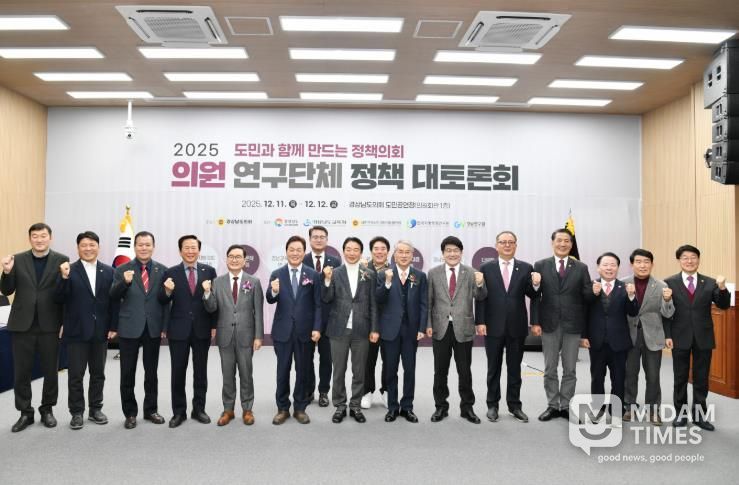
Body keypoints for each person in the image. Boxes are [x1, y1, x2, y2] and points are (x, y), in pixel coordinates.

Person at [1, 223, 69, 432]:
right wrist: (6, 272)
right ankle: (25, 413)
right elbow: (7, 290)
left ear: (50, 237)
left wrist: (64, 321)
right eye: (35, 236)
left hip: (50, 324)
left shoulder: (62, 260)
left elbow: (65, 295)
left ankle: (47, 409)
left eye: (43, 236)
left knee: (51, 371)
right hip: (22, 325)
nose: (39, 240)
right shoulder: (17, 259)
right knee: (21, 372)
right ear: (30, 238)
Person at [475, 231, 540, 423]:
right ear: (496, 245)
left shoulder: (526, 267)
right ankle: (492, 405)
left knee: (514, 369)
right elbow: (481, 297)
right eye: (503, 242)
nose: (507, 245)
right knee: (493, 368)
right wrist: (480, 321)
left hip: (516, 326)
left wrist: (536, 285)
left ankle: (514, 405)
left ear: (516, 245)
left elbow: (533, 296)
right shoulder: (486, 268)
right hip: (492, 325)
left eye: (511, 242)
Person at [54, 231, 116, 429]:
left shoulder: (109, 271)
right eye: (84, 245)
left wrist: (113, 326)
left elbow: (114, 302)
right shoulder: (68, 270)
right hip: (76, 331)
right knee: (75, 376)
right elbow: (58, 298)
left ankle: (95, 409)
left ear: (98, 247)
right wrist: (63, 278)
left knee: (98, 374)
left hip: (100, 331)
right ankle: (76, 413)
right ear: (77, 248)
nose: (88, 249)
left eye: (92, 245)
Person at [664, 244, 730, 431]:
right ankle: (681, 415)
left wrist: (722, 288)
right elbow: (665, 313)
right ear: (679, 261)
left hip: (703, 336)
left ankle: (700, 416)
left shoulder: (710, 282)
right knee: (680, 378)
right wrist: (667, 335)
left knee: (701, 378)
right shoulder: (669, 282)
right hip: (679, 336)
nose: (689, 261)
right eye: (685, 257)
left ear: (698, 260)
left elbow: (723, 305)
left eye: (693, 257)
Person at [531, 228, 593, 422]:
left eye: (567, 241)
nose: (563, 244)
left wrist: (594, 291)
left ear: (571, 244)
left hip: (573, 325)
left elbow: (587, 297)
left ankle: (565, 406)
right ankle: (552, 405)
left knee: (570, 369)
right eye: (559, 240)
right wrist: (535, 321)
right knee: (550, 368)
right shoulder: (540, 265)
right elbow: (535, 296)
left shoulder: (581, 267)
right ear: (552, 243)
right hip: (549, 323)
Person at [110, 230, 168, 429]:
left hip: (153, 327)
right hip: (129, 326)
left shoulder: (162, 270)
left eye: (147, 244)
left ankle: (151, 410)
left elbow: (165, 302)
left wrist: (164, 326)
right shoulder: (122, 269)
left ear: (153, 247)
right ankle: (130, 413)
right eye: (140, 244)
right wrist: (124, 282)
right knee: (127, 372)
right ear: (134, 247)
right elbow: (113, 296)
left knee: (151, 372)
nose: (144, 248)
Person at [158, 235, 217, 428]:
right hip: (178, 330)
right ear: (180, 250)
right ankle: (179, 412)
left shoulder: (209, 271)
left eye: (194, 248)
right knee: (178, 372)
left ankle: (199, 409)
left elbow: (214, 302)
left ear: (199, 250)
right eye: (187, 247)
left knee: (200, 372)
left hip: (202, 329)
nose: (190, 251)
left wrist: (214, 325)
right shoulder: (170, 272)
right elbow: (162, 300)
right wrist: (167, 291)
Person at [427, 236, 487, 424]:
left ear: (461, 253)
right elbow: (429, 301)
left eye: (456, 250)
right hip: (441, 328)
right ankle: (440, 407)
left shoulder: (471, 273)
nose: (452, 254)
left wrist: (480, 283)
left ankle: (467, 408)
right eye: (448, 250)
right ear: (443, 253)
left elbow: (481, 296)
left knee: (465, 371)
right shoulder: (433, 273)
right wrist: (428, 324)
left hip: (463, 328)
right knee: (440, 371)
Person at [203, 244, 263, 426]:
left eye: (238, 257)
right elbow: (211, 308)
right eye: (231, 256)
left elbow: (258, 311)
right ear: (226, 259)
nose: (234, 260)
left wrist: (258, 336)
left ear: (245, 261)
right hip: (225, 335)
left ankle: (247, 409)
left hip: (246, 335)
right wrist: (207, 293)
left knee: (246, 374)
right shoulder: (217, 282)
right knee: (227, 375)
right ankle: (228, 409)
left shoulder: (254, 281)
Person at [266, 235, 322, 425]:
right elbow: (270, 298)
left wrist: (317, 328)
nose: (295, 253)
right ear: (286, 252)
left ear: (304, 252)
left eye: (299, 250)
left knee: (303, 371)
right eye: (292, 250)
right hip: (283, 331)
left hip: (305, 332)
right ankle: (282, 408)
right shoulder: (277, 273)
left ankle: (300, 408)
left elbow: (318, 304)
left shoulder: (312, 275)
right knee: (282, 370)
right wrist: (274, 290)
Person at [322, 237, 378, 423]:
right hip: (339, 329)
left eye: (356, 249)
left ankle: (355, 406)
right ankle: (339, 405)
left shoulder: (369, 274)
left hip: (362, 329)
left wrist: (374, 328)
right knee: (338, 370)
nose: (352, 253)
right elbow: (326, 298)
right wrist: (327, 280)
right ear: (343, 251)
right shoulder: (335, 273)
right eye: (348, 249)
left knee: (359, 371)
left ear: (361, 252)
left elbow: (373, 304)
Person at [581, 252, 639, 426]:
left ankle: (616, 412)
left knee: (619, 378)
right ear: (598, 268)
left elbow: (633, 312)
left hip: (619, 342)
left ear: (618, 268)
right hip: (596, 341)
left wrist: (632, 296)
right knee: (597, 378)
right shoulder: (590, 286)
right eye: (605, 265)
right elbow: (583, 312)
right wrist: (584, 336)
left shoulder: (625, 287)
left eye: (613, 265)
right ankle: (598, 409)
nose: (609, 268)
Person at [376, 240, 427, 423]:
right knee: (390, 370)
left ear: (412, 255)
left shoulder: (420, 276)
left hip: (411, 331)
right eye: (400, 252)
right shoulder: (383, 274)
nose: (404, 255)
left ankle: (407, 407)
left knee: (409, 370)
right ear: (394, 255)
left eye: (407, 252)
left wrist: (422, 327)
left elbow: (424, 304)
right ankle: (392, 407)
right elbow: (378, 300)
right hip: (390, 330)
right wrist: (387, 283)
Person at [622, 249, 674, 425]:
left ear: (652, 264)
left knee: (653, 376)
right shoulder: (623, 284)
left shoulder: (661, 285)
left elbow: (668, 314)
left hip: (653, 336)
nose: (642, 265)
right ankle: (629, 406)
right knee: (630, 374)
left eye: (646, 262)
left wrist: (667, 300)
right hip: (629, 336)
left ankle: (653, 410)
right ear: (632, 264)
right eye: (638, 262)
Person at [302, 225, 341, 407]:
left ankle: (324, 391)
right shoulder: (301, 260)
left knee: (326, 358)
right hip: (307, 319)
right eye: (315, 237)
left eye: (322, 237)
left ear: (327, 239)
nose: (318, 240)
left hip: (329, 318)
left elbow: (339, 290)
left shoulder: (336, 261)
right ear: (310, 240)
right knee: (306, 357)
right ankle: (309, 390)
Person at [362, 235, 390, 409]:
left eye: (383, 249)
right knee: (368, 360)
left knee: (389, 360)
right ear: (371, 251)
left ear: (388, 251)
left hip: (388, 324)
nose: (379, 252)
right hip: (368, 323)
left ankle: (386, 391)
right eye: (376, 249)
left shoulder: (394, 270)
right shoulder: (363, 269)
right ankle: (367, 392)